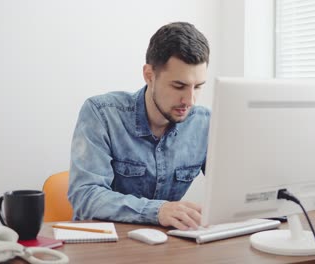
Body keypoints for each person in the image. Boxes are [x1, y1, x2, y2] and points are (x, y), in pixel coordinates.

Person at [68, 22, 210, 230]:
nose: (190, 100)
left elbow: (230, 191)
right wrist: (157, 211)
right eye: (179, 86)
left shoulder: (204, 122)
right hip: (106, 249)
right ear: (149, 75)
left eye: (197, 87)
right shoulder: (101, 113)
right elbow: (85, 196)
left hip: (168, 248)